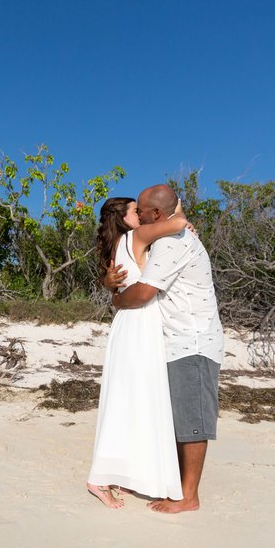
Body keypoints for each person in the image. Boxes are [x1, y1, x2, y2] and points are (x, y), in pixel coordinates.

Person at [107, 184, 224, 513]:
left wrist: (116, 300)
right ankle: (175, 484)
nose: (140, 216)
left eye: (142, 211)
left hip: (193, 339)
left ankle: (189, 497)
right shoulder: (167, 235)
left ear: (156, 214)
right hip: (176, 339)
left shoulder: (173, 243)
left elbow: (144, 293)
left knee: (192, 420)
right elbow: (176, 209)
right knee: (178, 418)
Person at [87, 196, 190, 508]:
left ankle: (122, 472)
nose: (141, 213)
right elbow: (180, 223)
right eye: (136, 210)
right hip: (139, 323)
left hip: (130, 324)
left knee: (128, 399)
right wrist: (179, 205)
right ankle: (99, 478)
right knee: (137, 396)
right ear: (124, 218)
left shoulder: (120, 242)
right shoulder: (136, 236)